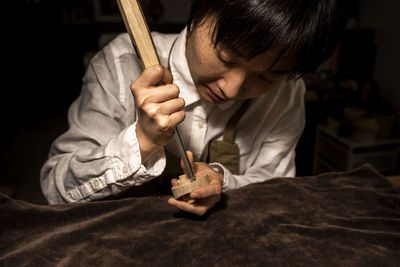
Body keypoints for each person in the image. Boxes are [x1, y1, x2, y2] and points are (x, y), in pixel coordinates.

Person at [41, 0, 347, 215]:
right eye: (227, 57)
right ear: (199, 7)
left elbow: (276, 187)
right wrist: (142, 140)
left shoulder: (287, 93)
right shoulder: (121, 63)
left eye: (264, 77)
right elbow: (55, 191)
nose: (231, 89)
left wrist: (223, 182)